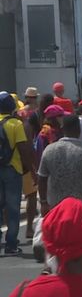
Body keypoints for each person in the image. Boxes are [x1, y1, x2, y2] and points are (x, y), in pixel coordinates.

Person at [38, 115, 82, 214]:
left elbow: (42, 178)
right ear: (79, 129)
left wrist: (43, 202)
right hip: (81, 209)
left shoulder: (49, 150)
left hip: (56, 209)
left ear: (62, 129)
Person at [0, 92, 35, 255]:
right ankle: (11, 244)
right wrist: (32, 171)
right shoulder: (16, 124)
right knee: (13, 207)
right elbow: (23, 150)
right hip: (13, 169)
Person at [18, 87, 41, 238]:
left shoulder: (20, 112)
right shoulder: (38, 113)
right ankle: (29, 229)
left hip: (18, 156)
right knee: (32, 195)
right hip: (32, 154)